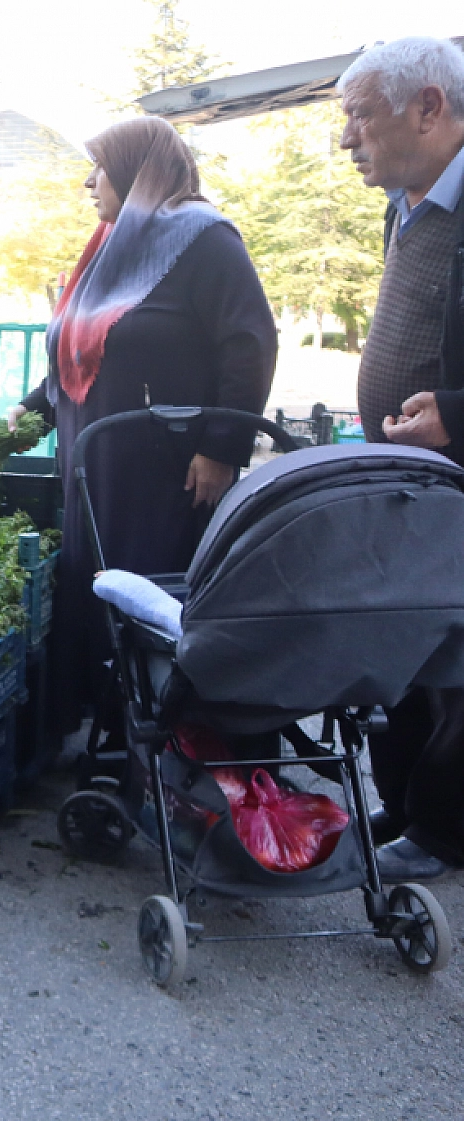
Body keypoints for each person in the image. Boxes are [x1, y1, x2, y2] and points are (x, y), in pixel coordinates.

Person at [9, 116, 276, 735]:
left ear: (134, 169)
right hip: (96, 459)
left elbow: (250, 344)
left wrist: (221, 447)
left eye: (98, 168)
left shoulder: (203, 239)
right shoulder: (112, 244)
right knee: (99, 576)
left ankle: (155, 730)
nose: (88, 183)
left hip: (164, 467)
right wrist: (37, 405)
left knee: (147, 586)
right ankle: (104, 716)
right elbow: (81, 343)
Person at [334, 37, 464, 881]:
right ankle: (412, 805)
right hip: (411, 482)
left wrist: (455, 413)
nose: (347, 139)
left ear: (428, 107)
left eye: (359, 117)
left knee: (458, 664)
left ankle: (448, 829)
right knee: (410, 649)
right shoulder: (406, 206)